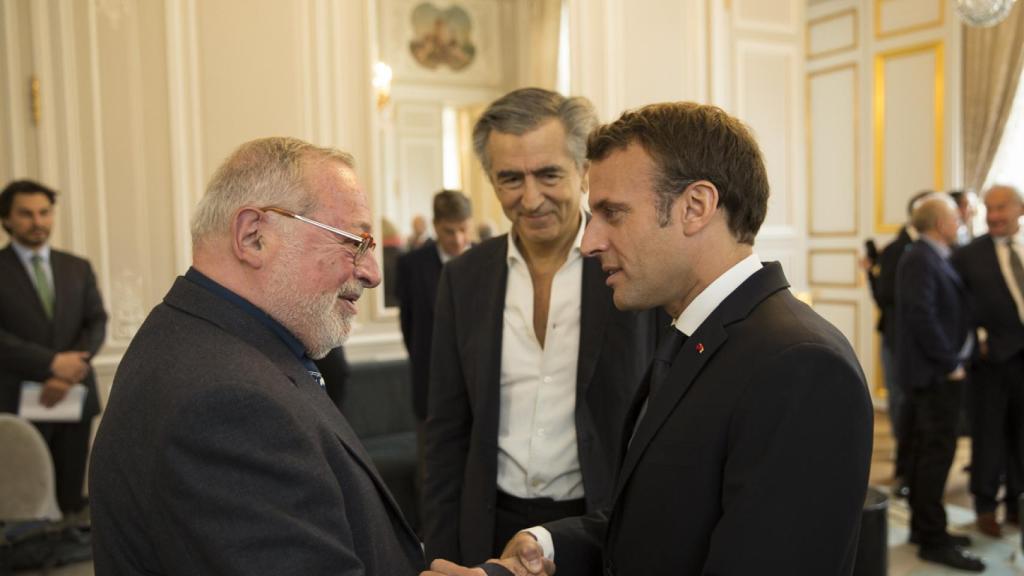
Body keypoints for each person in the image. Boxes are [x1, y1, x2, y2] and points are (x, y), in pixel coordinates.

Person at [426, 102, 873, 576]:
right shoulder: (694, 331)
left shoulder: (801, 366)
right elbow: (656, 528)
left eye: (613, 214)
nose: (590, 241)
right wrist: (547, 544)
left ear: (695, 207)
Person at [89, 137, 425, 575]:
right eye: (353, 242)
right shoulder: (227, 404)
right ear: (253, 236)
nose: (373, 272)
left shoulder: (201, 337)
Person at [423, 88, 660, 566]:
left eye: (548, 174)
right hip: (488, 526)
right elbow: (447, 432)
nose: (531, 199)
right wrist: (444, 549)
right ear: (490, 179)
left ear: (583, 170)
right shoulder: (463, 278)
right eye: (510, 178)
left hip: (601, 526)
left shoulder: (637, 269)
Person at [0, 179, 107, 519]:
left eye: (44, 213)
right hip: (17, 399)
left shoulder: (77, 266)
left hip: (73, 394)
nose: (38, 221)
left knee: (73, 498)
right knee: (25, 499)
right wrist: (51, 364)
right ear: (6, 219)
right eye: (26, 214)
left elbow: (96, 322)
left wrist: (70, 370)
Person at [897, 193, 983, 571]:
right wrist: (950, 363)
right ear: (937, 222)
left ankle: (924, 527)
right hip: (935, 374)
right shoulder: (920, 257)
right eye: (953, 216)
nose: (960, 220)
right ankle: (933, 538)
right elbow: (920, 315)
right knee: (935, 454)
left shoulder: (934, 253)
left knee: (926, 451)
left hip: (936, 372)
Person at [952, 185, 1024, 538]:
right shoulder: (968, 255)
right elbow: (956, 307)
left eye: (1002, 208)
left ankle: (1016, 503)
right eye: (990, 208)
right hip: (992, 362)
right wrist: (975, 341)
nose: (994, 216)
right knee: (989, 435)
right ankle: (984, 506)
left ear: (1020, 210)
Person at [864, 190, 931, 498]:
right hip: (899, 340)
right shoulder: (897, 250)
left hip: (921, 346)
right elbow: (885, 298)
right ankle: (904, 472)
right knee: (902, 405)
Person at [398, 189, 473, 424]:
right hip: (431, 389)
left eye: (463, 230)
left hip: (481, 391)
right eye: (449, 231)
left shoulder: (490, 261)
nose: (458, 239)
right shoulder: (412, 265)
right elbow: (409, 328)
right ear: (436, 225)